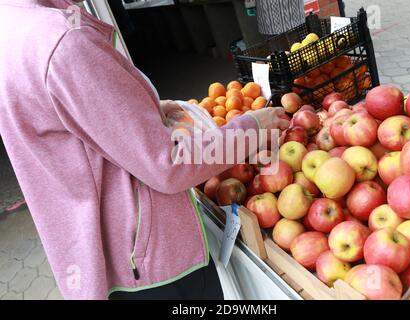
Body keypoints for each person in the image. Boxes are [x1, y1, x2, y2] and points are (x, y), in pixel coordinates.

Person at [0, 0, 289, 300]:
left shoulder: (11, 25)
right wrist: (252, 127)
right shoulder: (64, 42)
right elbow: (168, 166)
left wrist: (142, 112)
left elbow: (72, 126)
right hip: (146, 266)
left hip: (96, 255)